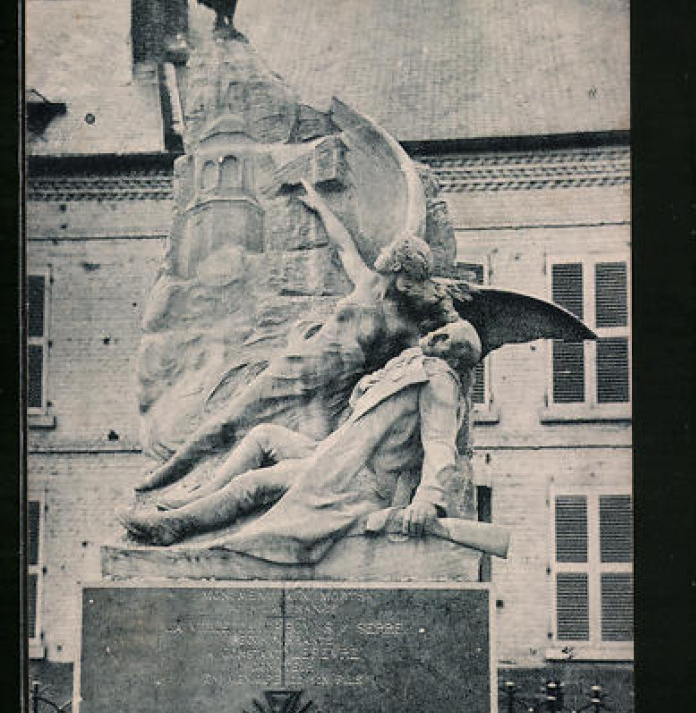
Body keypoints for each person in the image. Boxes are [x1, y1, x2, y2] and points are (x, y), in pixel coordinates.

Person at [135, 180, 458, 494]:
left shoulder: (402, 326)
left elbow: (416, 365)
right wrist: (320, 206)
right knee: (228, 420)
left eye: (393, 265)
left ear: (401, 274)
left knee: (300, 463)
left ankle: (220, 499)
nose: (385, 263)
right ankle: (167, 474)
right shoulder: (366, 282)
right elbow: (344, 244)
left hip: (328, 396)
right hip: (296, 366)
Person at [120, 319, 483, 564]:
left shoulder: (440, 381)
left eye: (447, 338)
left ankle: (177, 526)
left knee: (253, 484)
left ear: (455, 356)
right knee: (264, 436)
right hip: (331, 454)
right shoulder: (408, 365)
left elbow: (439, 444)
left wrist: (428, 501)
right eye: (442, 330)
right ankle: (196, 498)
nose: (436, 335)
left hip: (357, 480)